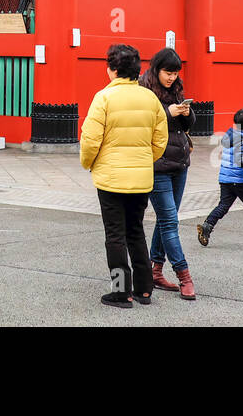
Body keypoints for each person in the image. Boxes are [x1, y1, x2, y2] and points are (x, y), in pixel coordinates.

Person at [79, 44, 167, 308]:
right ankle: (144, 289)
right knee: (135, 231)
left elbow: (90, 141)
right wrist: (143, 161)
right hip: (141, 180)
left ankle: (121, 292)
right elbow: (160, 139)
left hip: (111, 179)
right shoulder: (150, 99)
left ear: (113, 70)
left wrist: (89, 163)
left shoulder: (103, 98)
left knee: (115, 235)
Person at [138, 47, 195, 300]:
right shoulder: (143, 90)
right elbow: (140, 122)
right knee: (170, 221)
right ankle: (184, 275)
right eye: (167, 73)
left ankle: (156, 270)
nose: (171, 78)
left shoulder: (176, 89)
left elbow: (186, 126)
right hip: (156, 164)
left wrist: (186, 113)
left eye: (175, 73)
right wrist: (166, 112)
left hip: (179, 163)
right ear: (156, 69)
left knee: (166, 220)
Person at [197, 108, 243, 247]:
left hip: (225, 178)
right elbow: (242, 160)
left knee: (224, 205)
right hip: (239, 180)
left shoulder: (230, 135)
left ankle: (207, 226)